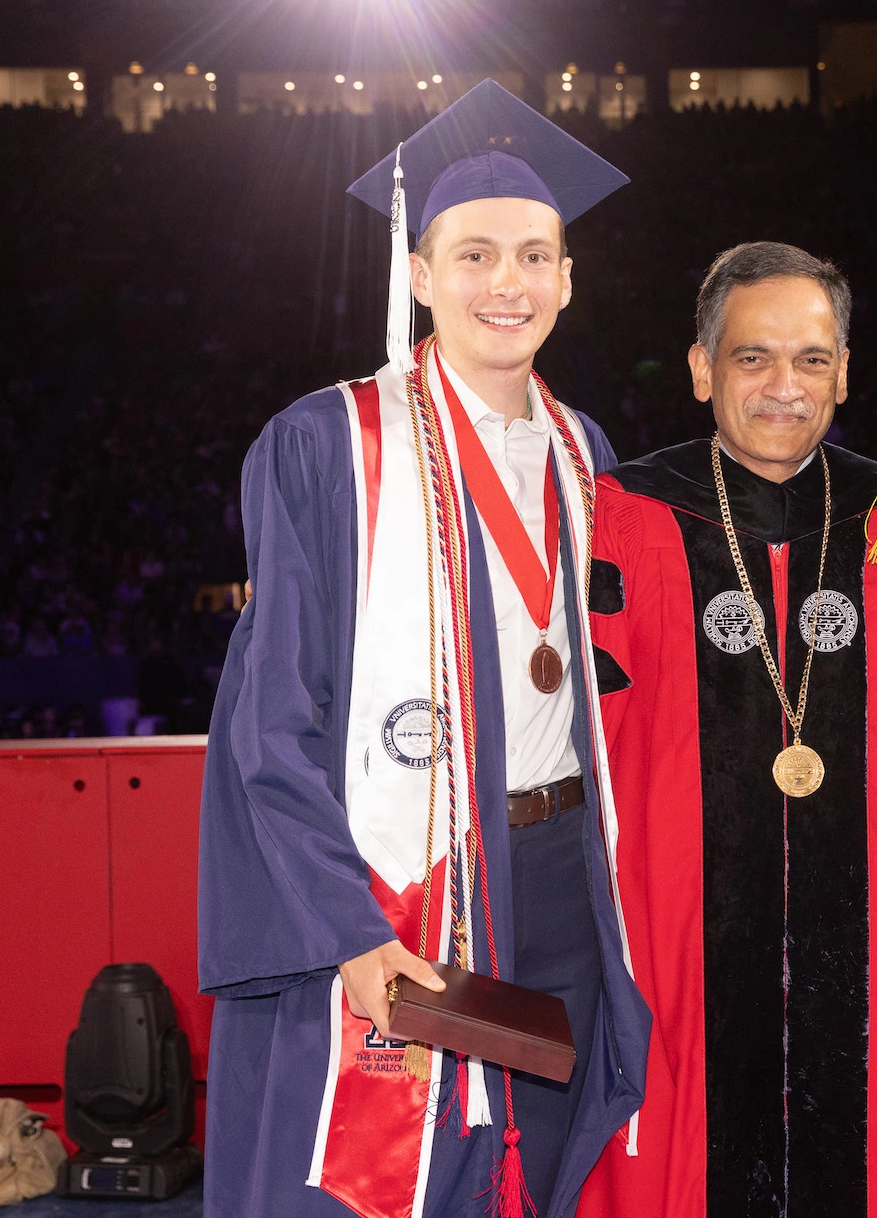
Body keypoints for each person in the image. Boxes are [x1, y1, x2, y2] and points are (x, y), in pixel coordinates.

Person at [197, 81, 650, 1218]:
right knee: (391, 1178)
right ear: (419, 273)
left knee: (540, 1168)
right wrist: (347, 930)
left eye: (535, 257)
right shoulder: (328, 444)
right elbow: (269, 718)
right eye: (475, 255)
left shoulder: (586, 451)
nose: (508, 283)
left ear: (567, 279)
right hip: (408, 878)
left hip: (563, 880)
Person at [578, 242, 877, 1217]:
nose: (785, 385)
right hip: (675, 935)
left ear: (845, 372)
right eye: (752, 357)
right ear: (702, 369)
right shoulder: (619, 516)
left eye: (812, 359)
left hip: (861, 934)